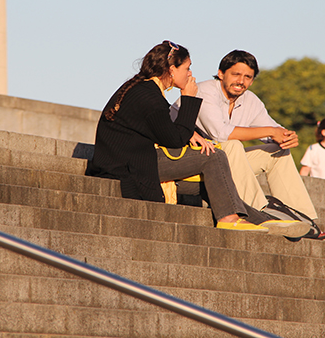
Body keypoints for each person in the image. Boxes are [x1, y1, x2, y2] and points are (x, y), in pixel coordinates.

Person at [86, 41, 309, 237]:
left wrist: (191, 133)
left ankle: (264, 221)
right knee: (213, 157)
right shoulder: (149, 96)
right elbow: (174, 139)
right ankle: (229, 220)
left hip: (134, 161)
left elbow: (165, 128)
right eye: (187, 68)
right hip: (128, 166)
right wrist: (188, 99)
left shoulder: (145, 90)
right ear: (171, 70)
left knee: (212, 182)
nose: (190, 74)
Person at [172, 49, 325, 241]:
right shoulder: (205, 90)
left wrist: (286, 136)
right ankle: (261, 214)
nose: (241, 81)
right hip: (184, 163)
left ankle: (303, 220)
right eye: (236, 74)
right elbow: (221, 134)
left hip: (220, 163)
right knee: (232, 145)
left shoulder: (250, 100)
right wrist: (270, 131)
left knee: (276, 151)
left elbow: (272, 129)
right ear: (221, 74)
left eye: (247, 77)